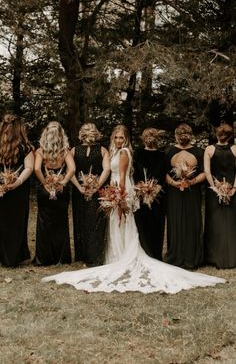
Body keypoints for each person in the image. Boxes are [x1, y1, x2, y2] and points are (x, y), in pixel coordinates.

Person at [43, 124, 225, 293]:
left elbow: (121, 177)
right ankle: (116, 255)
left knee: (121, 222)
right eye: (116, 137)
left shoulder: (123, 153)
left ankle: (122, 256)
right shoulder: (116, 151)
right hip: (115, 187)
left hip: (120, 188)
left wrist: (119, 196)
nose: (118, 140)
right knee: (115, 224)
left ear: (126, 139)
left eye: (121, 138)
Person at [34, 121, 75, 265]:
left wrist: (44, 183)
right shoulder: (65, 151)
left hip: (45, 190)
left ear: (46, 134)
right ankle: (61, 258)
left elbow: (37, 169)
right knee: (61, 222)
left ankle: (43, 258)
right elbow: (72, 169)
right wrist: (63, 183)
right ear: (61, 135)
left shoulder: (40, 151)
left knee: (44, 222)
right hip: (60, 189)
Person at [165, 124, 205, 269]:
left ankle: (192, 257)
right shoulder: (169, 151)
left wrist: (192, 181)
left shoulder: (199, 152)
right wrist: (173, 183)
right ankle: (175, 255)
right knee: (175, 220)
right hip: (174, 192)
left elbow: (205, 172)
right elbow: (163, 172)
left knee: (192, 220)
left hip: (192, 192)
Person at [71, 123, 110, 266]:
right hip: (78, 191)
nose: (90, 136)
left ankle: (94, 255)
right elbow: (71, 171)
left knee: (95, 221)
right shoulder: (74, 150)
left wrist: (96, 187)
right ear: (82, 134)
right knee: (80, 218)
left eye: (92, 133)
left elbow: (106, 170)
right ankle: (81, 254)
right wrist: (79, 187)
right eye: (87, 133)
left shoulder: (103, 150)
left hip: (97, 190)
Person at [0, 113, 34, 267]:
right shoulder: (26, 147)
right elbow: (29, 168)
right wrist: (17, 182)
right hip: (18, 190)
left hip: (4, 188)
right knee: (16, 222)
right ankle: (13, 257)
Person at [204, 123, 236, 268]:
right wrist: (234, 188)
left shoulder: (209, 149)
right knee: (229, 223)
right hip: (230, 191)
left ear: (217, 134)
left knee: (216, 223)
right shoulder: (235, 149)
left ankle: (214, 257)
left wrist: (215, 187)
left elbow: (207, 172)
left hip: (215, 191)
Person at [133, 128, 166, 260]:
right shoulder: (138, 153)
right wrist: (141, 188)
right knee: (145, 224)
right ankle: (147, 253)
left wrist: (154, 190)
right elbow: (134, 173)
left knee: (156, 224)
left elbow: (163, 175)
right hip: (141, 194)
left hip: (157, 196)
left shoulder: (162, 155)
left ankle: (155, 254)